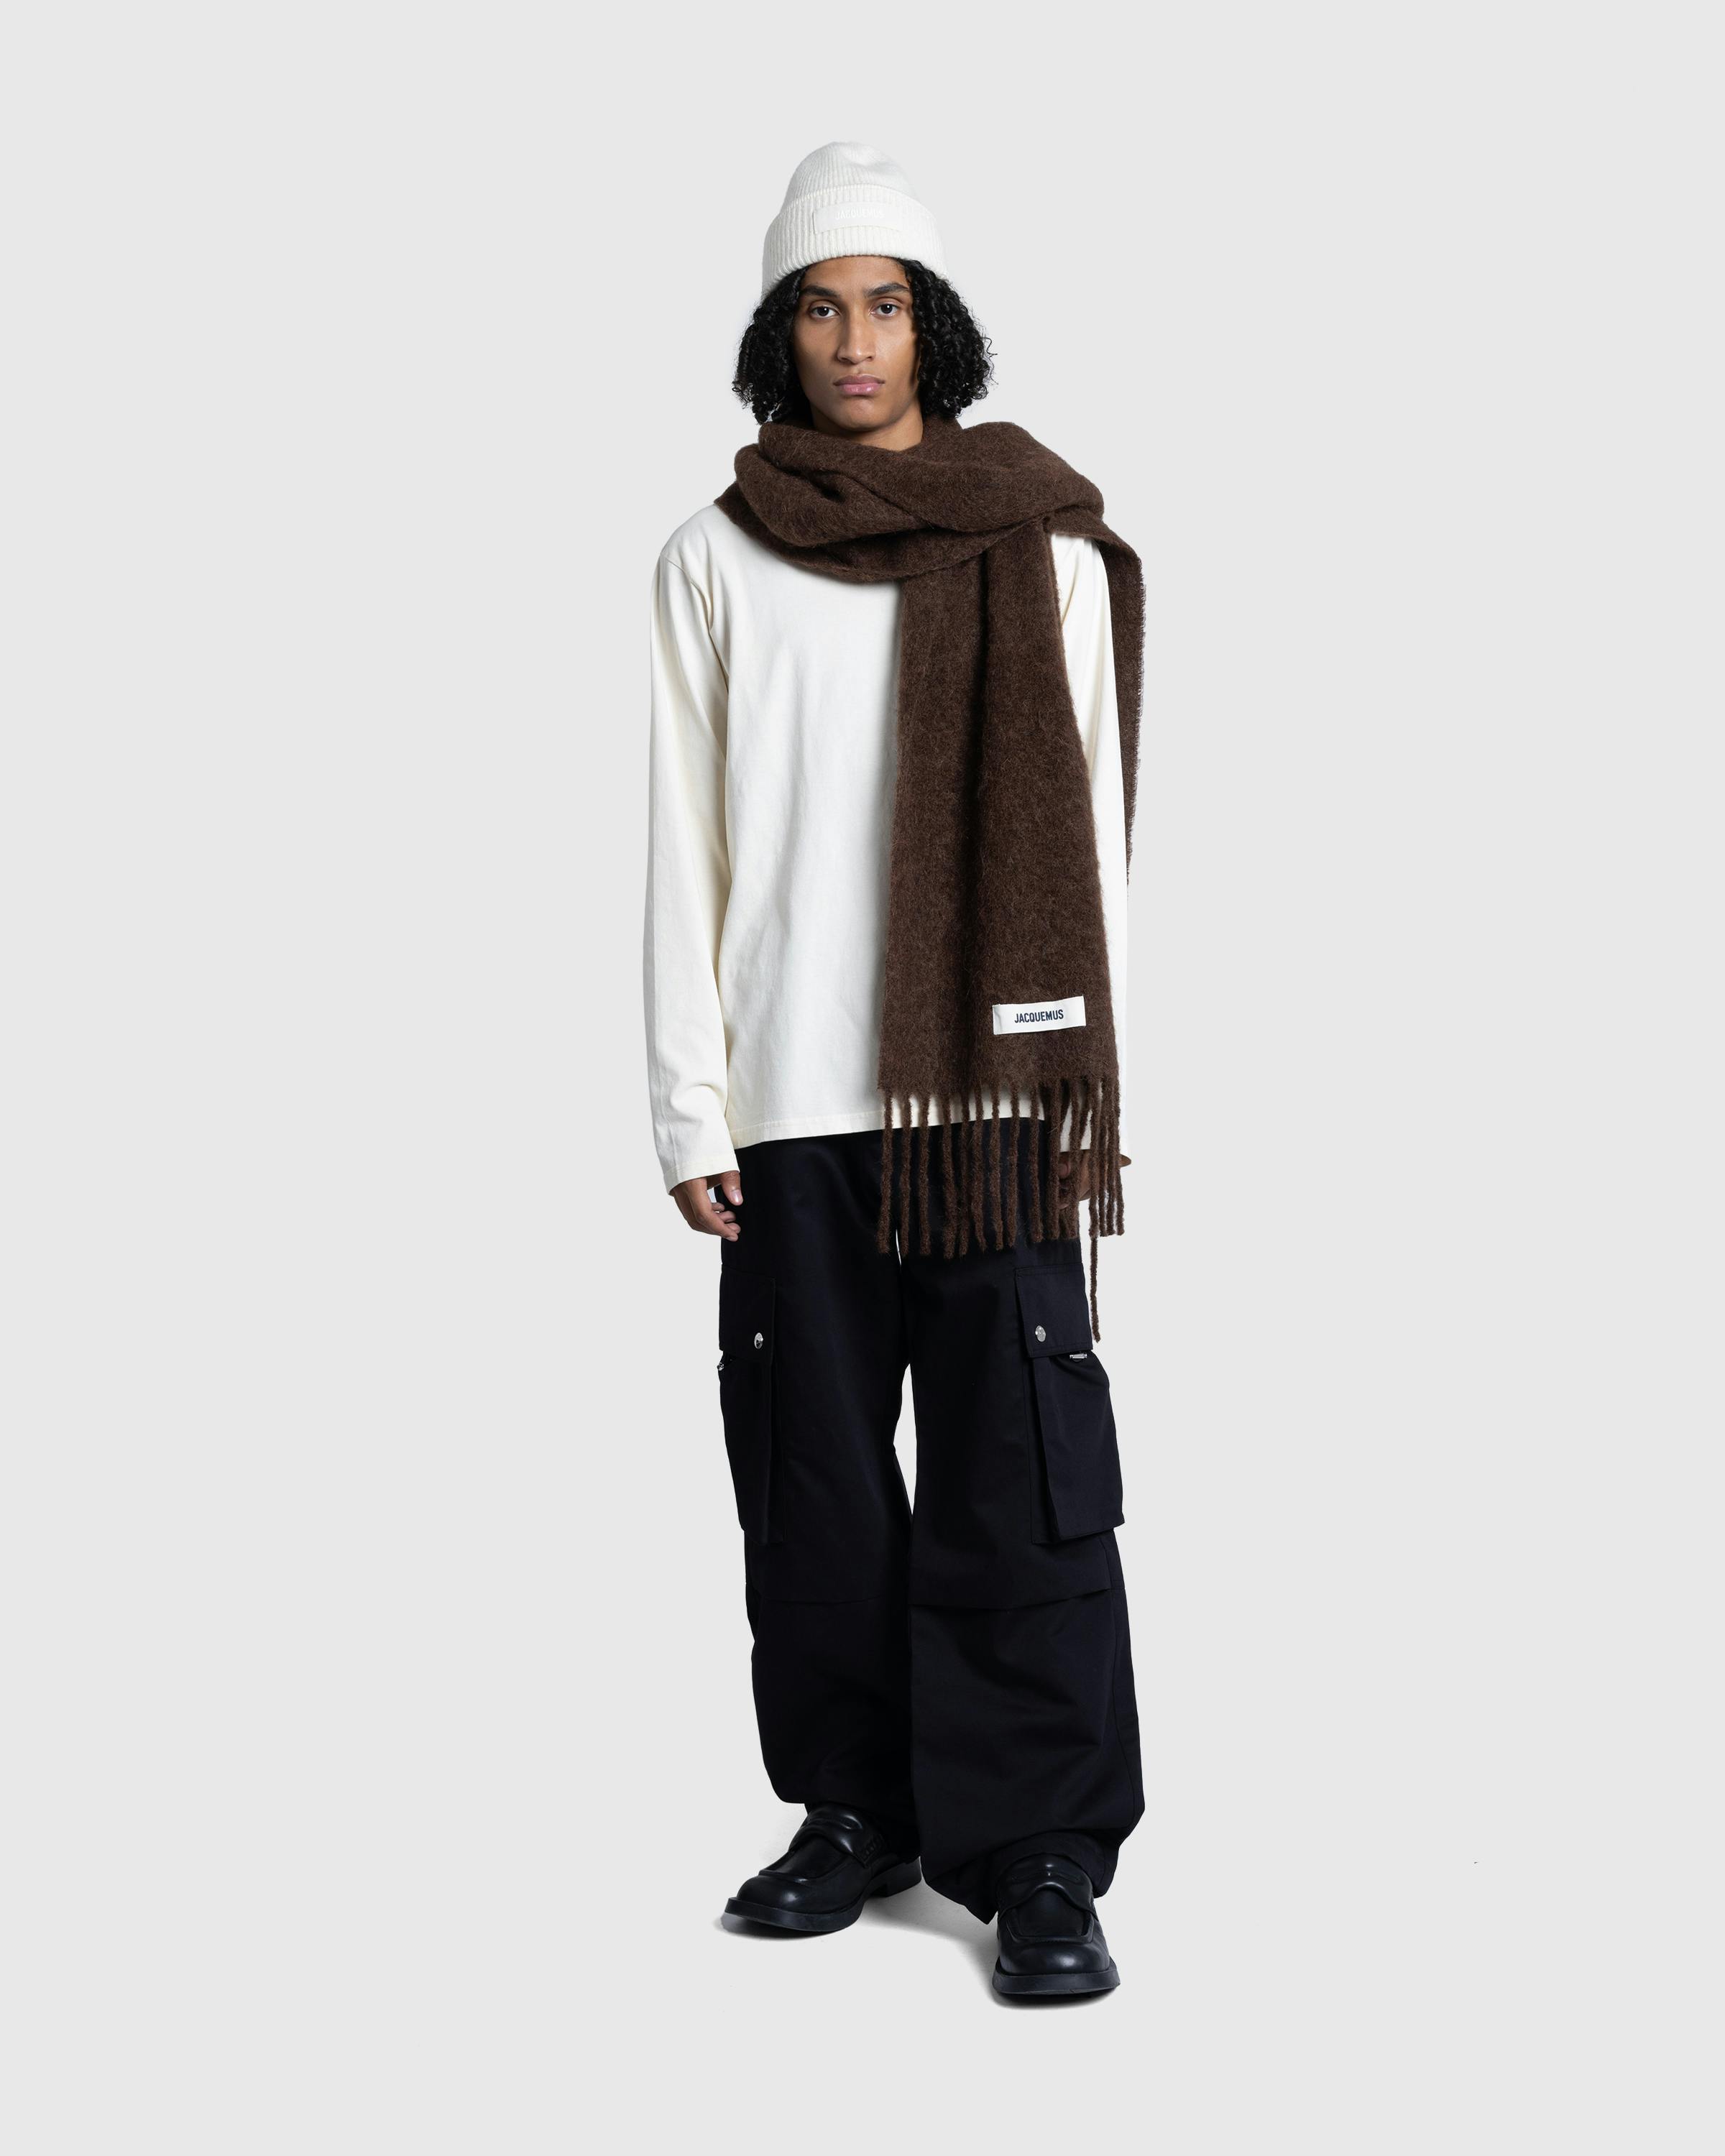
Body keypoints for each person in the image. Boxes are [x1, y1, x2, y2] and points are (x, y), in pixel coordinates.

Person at [643, 143, 1146, 1999]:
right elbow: (684, 843)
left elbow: (1092, 855)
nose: (855, 341)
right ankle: (855, 1810)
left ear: (936, 328)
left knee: (1024, 1471)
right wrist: (689, 1102)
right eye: (819, 308)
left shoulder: (1042, 545)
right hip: (792, 1096)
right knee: (816, 1482)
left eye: (886, 306)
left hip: (992, 1101)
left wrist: (1085, 1091)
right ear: (776, 336)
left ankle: (1041, 1852)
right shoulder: (713, 555)